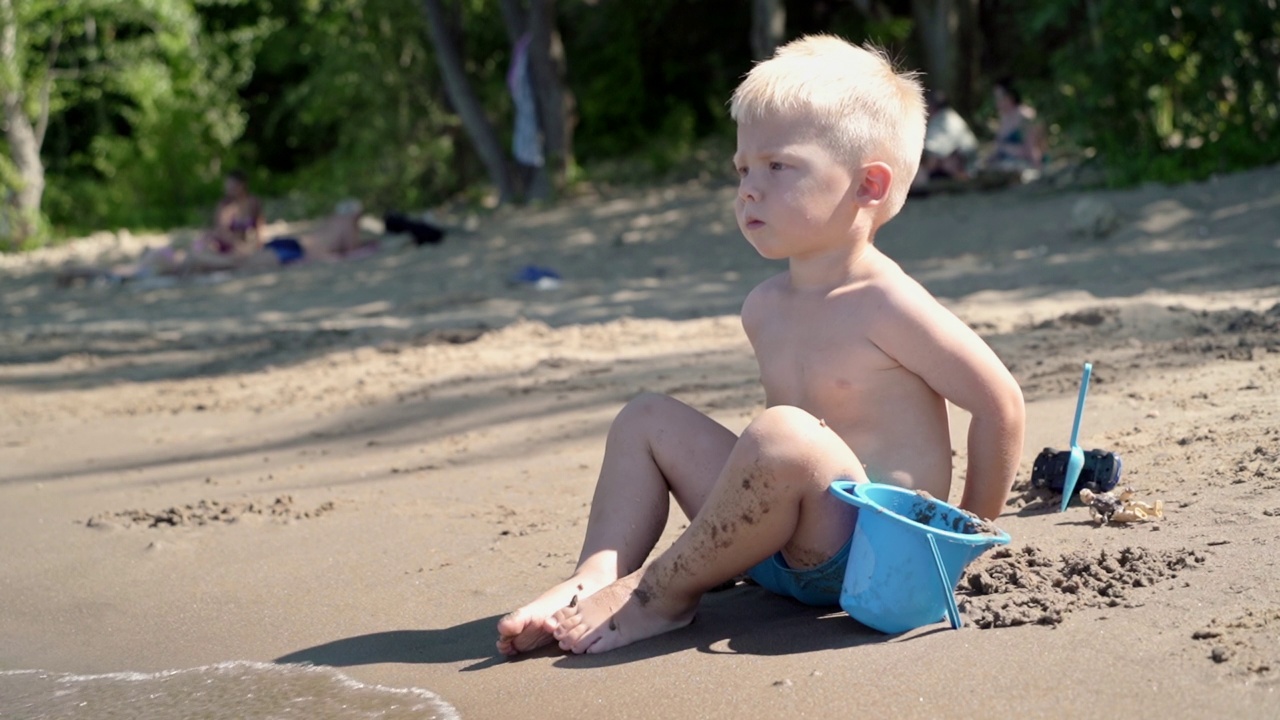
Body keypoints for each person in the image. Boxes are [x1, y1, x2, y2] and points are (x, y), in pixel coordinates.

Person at [495, 35, 1026, 657]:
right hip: (767, 545)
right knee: (646, 418)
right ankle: (595, 575)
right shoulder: (764, 306)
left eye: (778, 166)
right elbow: (764, 473)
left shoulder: (889, 304)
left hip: (860, 556)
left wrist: (964, 539)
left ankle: (658, 593)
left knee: (785, 433)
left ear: (869, 186)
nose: (749, 188)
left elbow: (1000, 404)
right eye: (743, 169)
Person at [912, 89, 978, 189]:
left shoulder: (943, 120)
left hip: (964, 165)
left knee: (926, 161)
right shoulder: (948, 117)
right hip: (964, 162)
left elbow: (932, 149)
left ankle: (919, 185)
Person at [985, 78, 1046, 174]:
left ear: (1011, 96)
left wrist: (1006, 149)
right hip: (1005, 164)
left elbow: (1033, 149)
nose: (997, 102)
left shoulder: (1026, 116)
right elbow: (998, 147)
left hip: (1024, 165)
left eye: (999, 98)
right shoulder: (1004, 118)